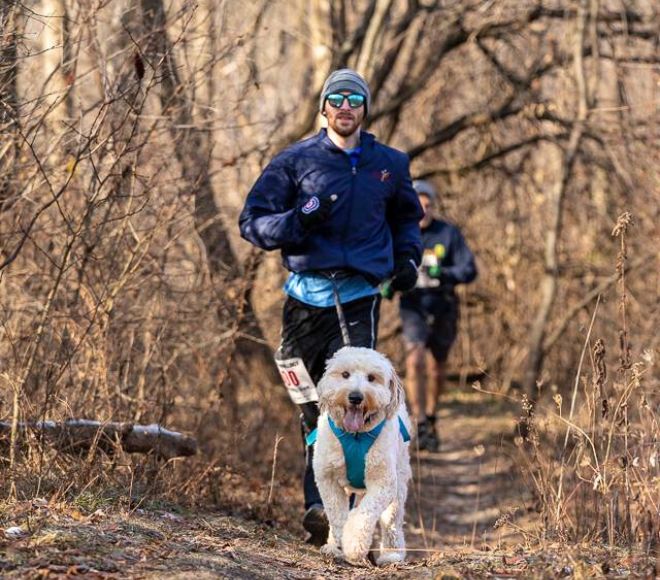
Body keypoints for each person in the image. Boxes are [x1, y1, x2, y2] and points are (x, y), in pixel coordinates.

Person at [238, 69, 423, 545]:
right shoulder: (295, 161)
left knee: (355, 403)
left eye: (355, 99)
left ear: (364, 108)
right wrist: (299, 218)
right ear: (324, 108)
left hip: (359, 297)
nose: (345, 106)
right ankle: (324, 502)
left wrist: (407, 259)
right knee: (308, 406)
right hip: (304, 298)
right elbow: (252, 223)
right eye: (336, 98)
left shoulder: (390, 163)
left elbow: (407, 219)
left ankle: (343, 515)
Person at [399, 180, 477, 452]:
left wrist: (443, 274)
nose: (424, 211)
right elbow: (387, 265)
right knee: (415, 359)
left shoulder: (448, 233)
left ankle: (431, 415)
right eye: (418, 206)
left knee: (436, 367)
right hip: (413, 305)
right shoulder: (402, 233)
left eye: (428, 205)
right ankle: (419, 420)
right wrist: (388, 282)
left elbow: (469, 270)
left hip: (443, 305)